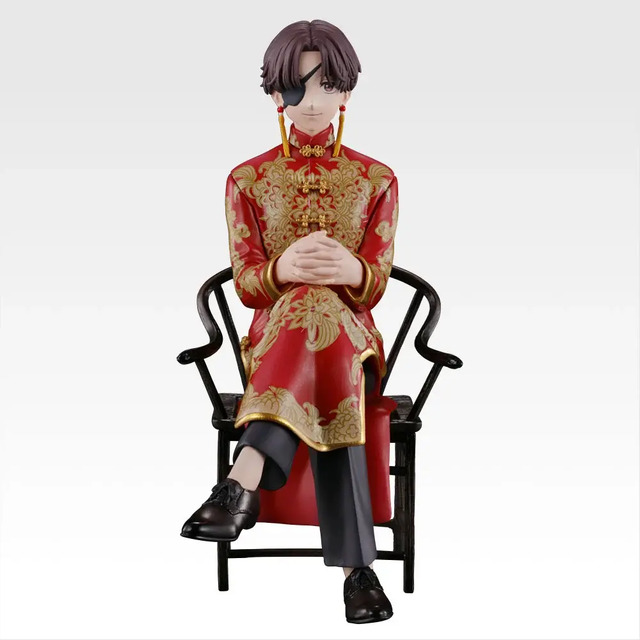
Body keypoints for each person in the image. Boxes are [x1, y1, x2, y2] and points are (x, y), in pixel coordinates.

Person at [180, 19, 399, 624]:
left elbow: (377, 282)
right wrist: (280, 268)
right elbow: (247, 284)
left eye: (325, 85)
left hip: (353, 343)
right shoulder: (247, 180)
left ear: (346, 90)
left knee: (324, 310)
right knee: (310, 320)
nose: (310, 102)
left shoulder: (376, 179)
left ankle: (242, 478)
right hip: (277, 343)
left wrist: (352, 269)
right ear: (275, 93)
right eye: (296, 87)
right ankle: (359, 574)